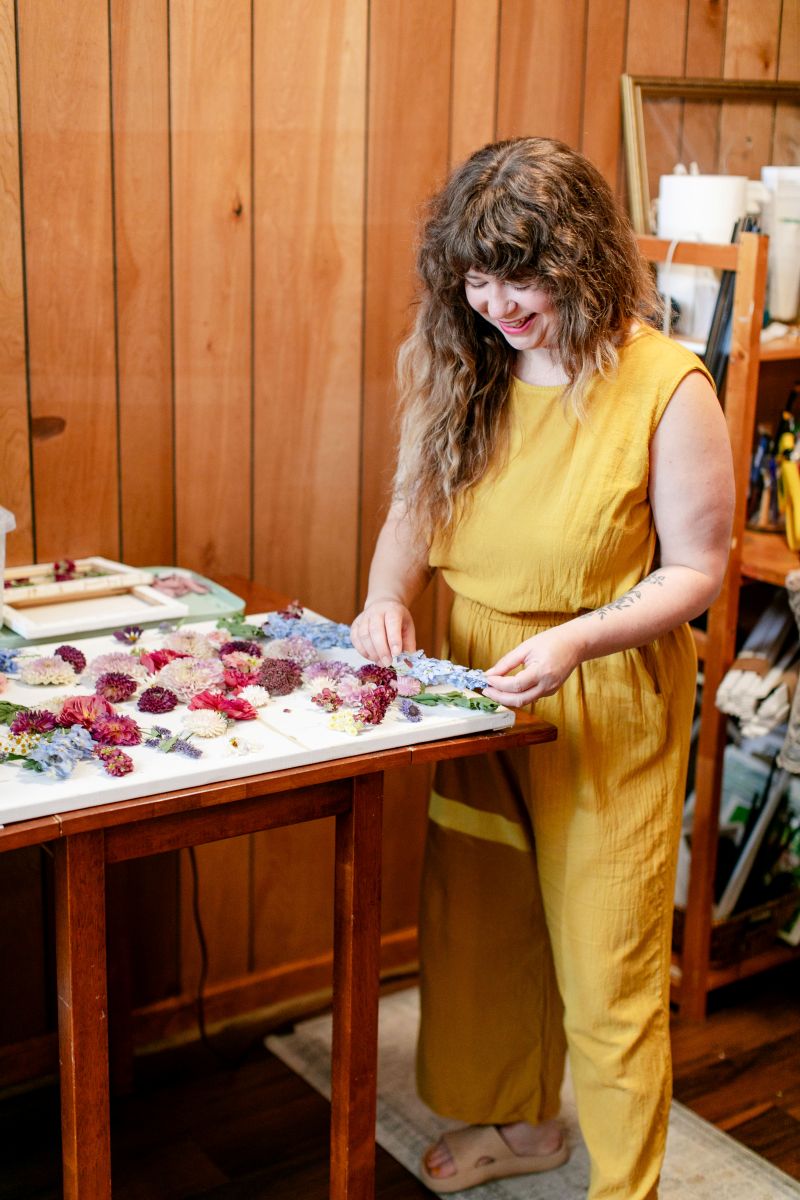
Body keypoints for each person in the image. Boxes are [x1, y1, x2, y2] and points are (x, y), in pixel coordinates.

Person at [350, 137, 734, 1199]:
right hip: (475, 680)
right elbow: (410, 513)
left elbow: (698, 569)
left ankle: (626, 1187)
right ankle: (526, 1131)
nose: (497, 304)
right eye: (475, 279)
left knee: (606, 966)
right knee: (484, 928)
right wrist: (388, 597)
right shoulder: (464, 359)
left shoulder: (664, 384)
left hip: (598, 687)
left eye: (520, 276)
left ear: (583, 261)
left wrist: (574, 640)